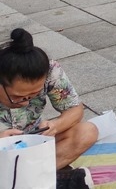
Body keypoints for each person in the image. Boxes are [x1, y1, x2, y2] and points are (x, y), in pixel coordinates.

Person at [0, 28, 98, 169]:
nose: (26, 102)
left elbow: (74, 109)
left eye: (34, 94)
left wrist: (56, 125)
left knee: (87, 132)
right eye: (17, 97)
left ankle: (32, 173)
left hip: (33, 139)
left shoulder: (50, 70)